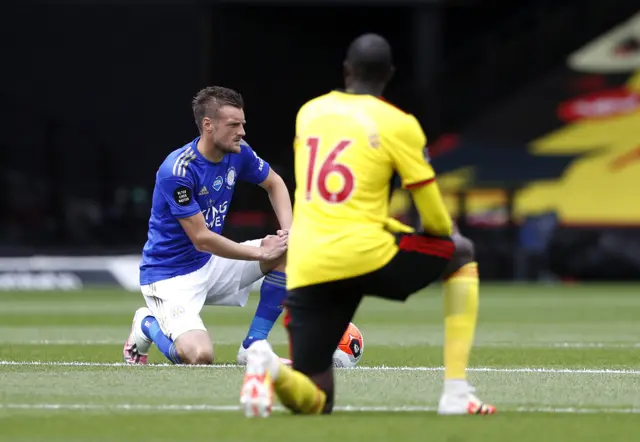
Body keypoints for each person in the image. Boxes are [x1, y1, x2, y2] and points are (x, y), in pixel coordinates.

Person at [239, 34, 495, 417]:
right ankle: (456, 392)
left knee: (317, 400)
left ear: (346, 70)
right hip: (364, 253)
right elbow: (434, 218)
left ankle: (269, 366)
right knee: (461, 254)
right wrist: (447, 235)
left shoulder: (309, 113)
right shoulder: (399, 124)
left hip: (309, 262)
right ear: (389, 75)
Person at [123, 86, 293, 366]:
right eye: (233, 125)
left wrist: (289, 232)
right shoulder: (177, 170)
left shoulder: (239, 153)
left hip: (209, 264)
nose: (242, 132)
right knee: (199, 357)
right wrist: (260, 252)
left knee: (289, 251)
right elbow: (201, 238)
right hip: (170, 277)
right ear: (208, 125)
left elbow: (275, 183)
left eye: (243, 124)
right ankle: (146, 324)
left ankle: (253, 347)